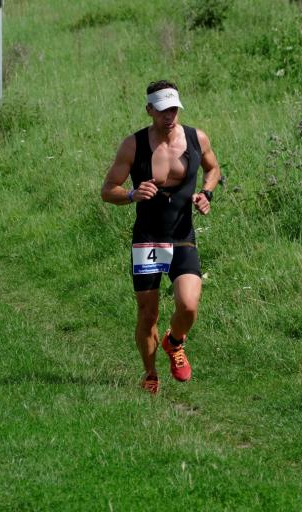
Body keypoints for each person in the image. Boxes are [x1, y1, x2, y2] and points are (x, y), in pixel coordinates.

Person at [100, 80, 221, 395]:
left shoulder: (196, 138)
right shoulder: (134, 145)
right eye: (163, 110)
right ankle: (150, 372)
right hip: (148, 240)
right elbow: (107, 190)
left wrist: (206, 193)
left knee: (189, 305)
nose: (170, 116)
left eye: (174, 109)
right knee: (148, 313)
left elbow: (213, 169)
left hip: (182, 236)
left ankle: (174, 342)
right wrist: (131, 194)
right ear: (149, 110)